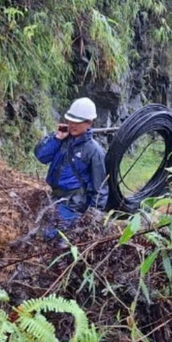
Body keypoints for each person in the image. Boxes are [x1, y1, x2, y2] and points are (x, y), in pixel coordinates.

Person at [35, 97, 108, 237]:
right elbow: (41, 156)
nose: (72, 125)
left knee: (51, 237)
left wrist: (93, 218)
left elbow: (100, 188)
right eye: (70, 120)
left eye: (77, 122)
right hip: (54, 199)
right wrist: (56, 138)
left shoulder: (94, 151)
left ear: (89, 123)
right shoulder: (62, 140)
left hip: (73, 205)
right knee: (35, 231)